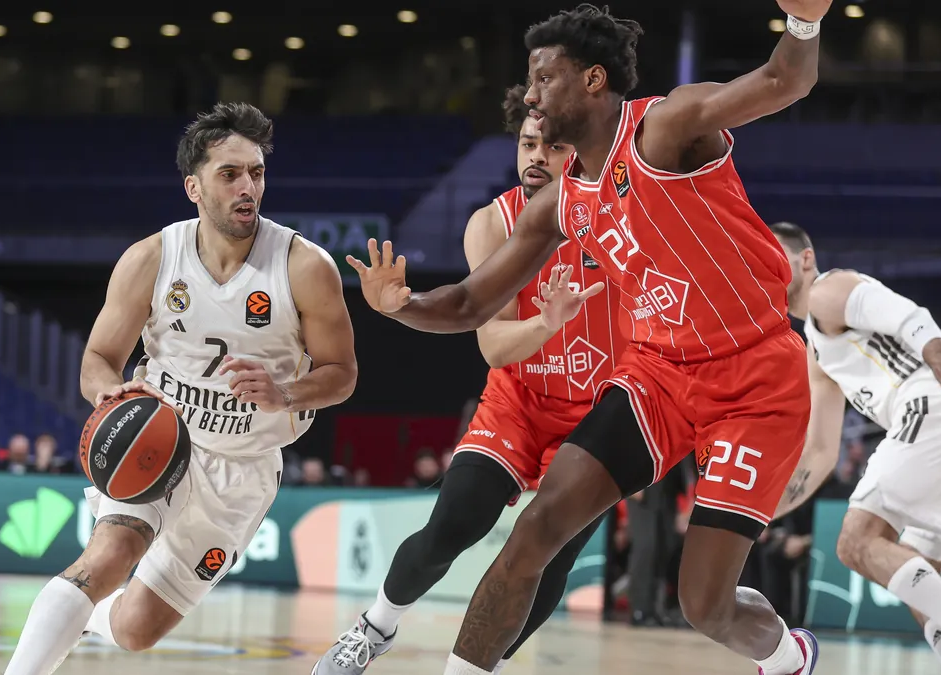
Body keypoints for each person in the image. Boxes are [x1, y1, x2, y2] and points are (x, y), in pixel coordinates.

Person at [346, 3, 830, 674]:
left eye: (544, 78)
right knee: (536, 527)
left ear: (594, 80)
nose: (531, 96)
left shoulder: (665, 128)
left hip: (755, 380)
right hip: (659, 375)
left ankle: (787, 655)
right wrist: (401, 306)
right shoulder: (560, 204)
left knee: (704, 604)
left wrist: (804, 22)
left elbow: (784, 81)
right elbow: (469, 302)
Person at [2, 102, 359, 674]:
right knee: (108, 557)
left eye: (256, 173)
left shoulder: (304, 266)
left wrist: (285, 393)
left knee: (136, 629)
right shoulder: (151, 258)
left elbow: (342, 373)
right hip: (158, 439)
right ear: (193, 187)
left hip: (241, 468)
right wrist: (107, 392)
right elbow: (98, 359)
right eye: (230, 174)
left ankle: (89, 618)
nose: (247, 188)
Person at [313, 85, 621, 675]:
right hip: (518, 401)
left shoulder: (615, 219)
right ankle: (374, 628)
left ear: (580, 150)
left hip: (596, 415)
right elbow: (494, 345)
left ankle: (483, 663)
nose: (537, 156)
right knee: (451, 526)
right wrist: (546, 323)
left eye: (554, 146)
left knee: (549, 557)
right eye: (527, 144)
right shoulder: (492, 224)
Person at [769, 221, 941, 674]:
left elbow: (913, 318)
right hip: (935, 425)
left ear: (806, 259)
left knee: (856, 543)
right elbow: (820, 454)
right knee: (919, 580)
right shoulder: (816, 350)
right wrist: (756, 511)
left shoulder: (827, 291)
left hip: (930, 401)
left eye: (773, 255)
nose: (763, 267)